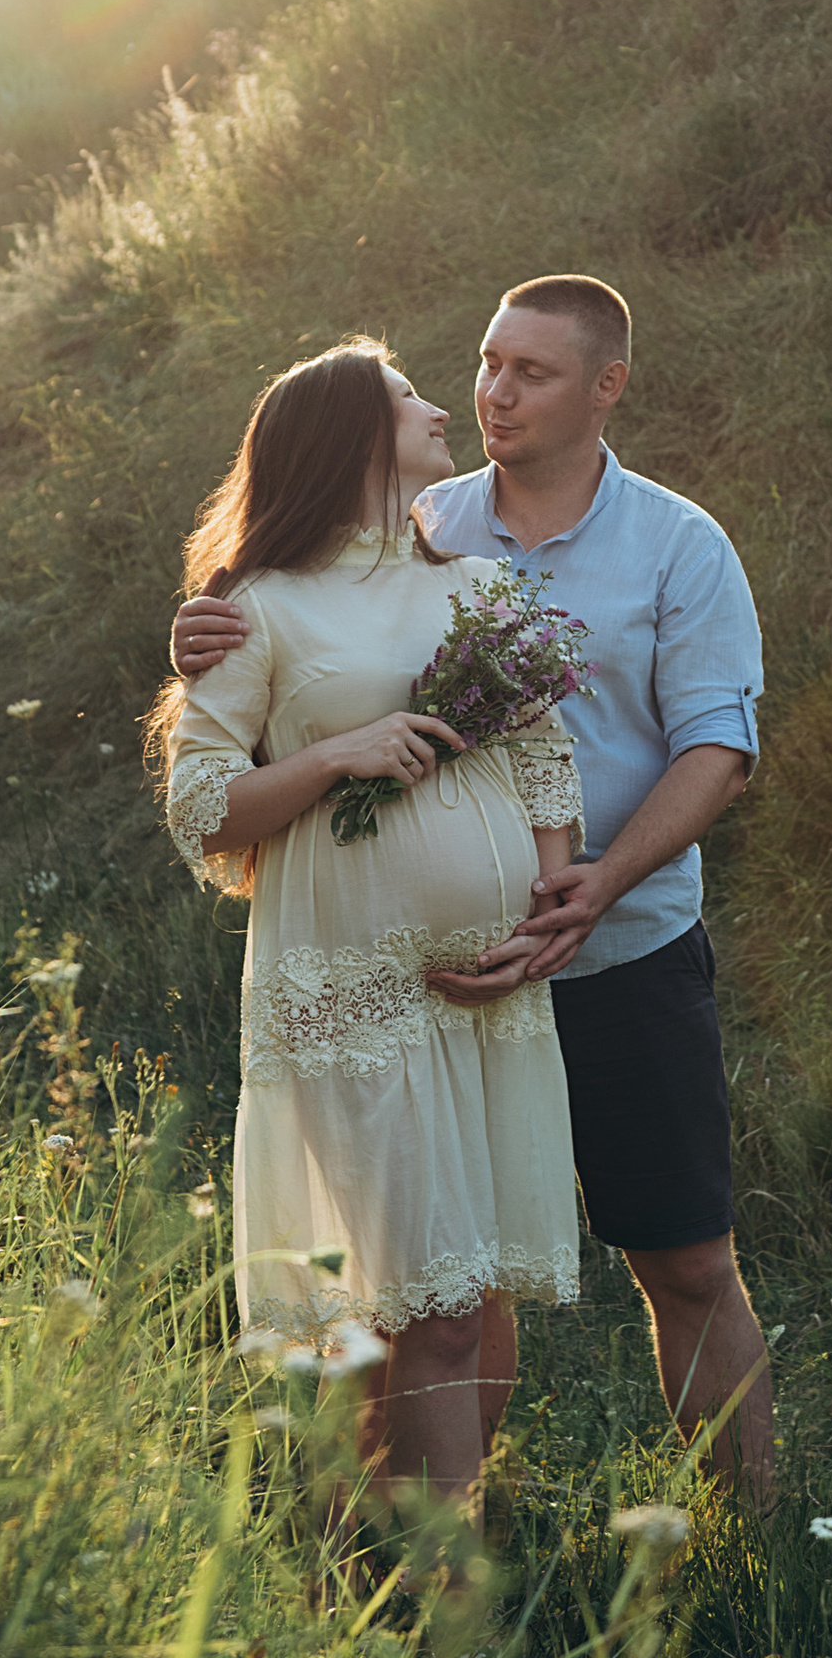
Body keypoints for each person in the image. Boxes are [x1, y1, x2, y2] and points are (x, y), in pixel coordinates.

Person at [174, 274, 774, 1500]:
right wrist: (196, 633)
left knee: (688, 1263)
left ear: (606, 386)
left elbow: (717, 745)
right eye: (487, 363)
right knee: (447, 1292)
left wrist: (591, 884)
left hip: (620, 951)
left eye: (530, 372)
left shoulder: (676, 544)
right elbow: (290, 612)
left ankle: (759, 1547)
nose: (490, 392)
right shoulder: (417, 513)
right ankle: (416, 1551)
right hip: (430, 987)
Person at [149, 337, 585, 1516]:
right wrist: (335, 752)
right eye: (407, 398)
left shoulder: (474, 584)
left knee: (475, 1296)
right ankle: (449, 1606)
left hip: (492, 996)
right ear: (347, 436)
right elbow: (200, 807)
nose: (442, 407)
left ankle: (376, 1541)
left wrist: (550, 913)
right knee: (423, 1308)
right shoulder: (258, 607)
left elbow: (542, 755)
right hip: (353, 993)